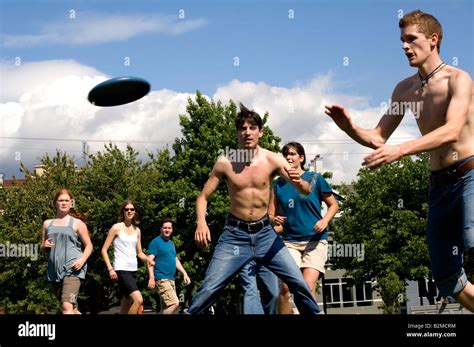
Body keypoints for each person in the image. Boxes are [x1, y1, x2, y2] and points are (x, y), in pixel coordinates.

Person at [325, 10, 473, 311]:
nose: (405, 46)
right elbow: (379, 137)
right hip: (438, 186)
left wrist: (401, 150)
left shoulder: (458, 79)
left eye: (411, 39)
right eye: (402, 40)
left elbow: (452, 129)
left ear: (433, 40)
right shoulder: (404, 89)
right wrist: (349, 127)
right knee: (447, 276)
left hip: (469, 174)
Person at [187, 103, 322, 315]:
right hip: (234, 235)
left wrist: (299, 183)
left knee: (297, 282)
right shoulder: (225, 162)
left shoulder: (273, 159)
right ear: (237, 133)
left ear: (261, 132)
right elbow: (203, 197)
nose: (247, 132)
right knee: (210, 288)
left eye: (252, 128)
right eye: (242, 128)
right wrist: (201, 222)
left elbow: (305, 190)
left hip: (265, 235)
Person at [267, 142, 339, 314]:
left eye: (292, 154)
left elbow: (334, 205)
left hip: (315, 241)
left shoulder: (315, 179)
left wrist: (325, 220)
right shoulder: (278, 185)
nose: (288, 157)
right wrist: (273, 219)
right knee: (285, 288)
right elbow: (269, 215)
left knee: (306, 287)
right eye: (285, 155)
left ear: (301, 158)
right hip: (290, 242)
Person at [40, 188, 93, 314]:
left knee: (66, 306)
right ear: (55, 203)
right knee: (72, 308)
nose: (64, 203)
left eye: (66, 200)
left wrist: (82, 260)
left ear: (71, 203)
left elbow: (89, 245)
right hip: (54, 272)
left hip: (73, 270)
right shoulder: (47, 224)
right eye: (60, 200)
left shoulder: (77, 223)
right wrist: (44, 245)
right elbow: (42, 246)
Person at [101, 200, 152, 314]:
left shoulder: (137, 230)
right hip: (121, 269)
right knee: (138, 300)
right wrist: (110, 269)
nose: (129, 211)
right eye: (127, 209)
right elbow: (104, 250)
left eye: (132, 209)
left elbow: (139, 253)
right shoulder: (116, 228)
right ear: (123, 212)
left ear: (135, 212)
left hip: (133, 269)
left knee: (126, 302)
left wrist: (147, 259)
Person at [147, 218, 191, 314]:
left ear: (172, 229)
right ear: (161, 229)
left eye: (169, 228)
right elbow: (149, 260)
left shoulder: (171, 244)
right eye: (165, 228)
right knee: (174, 303)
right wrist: (151, 278)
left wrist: (184, 273)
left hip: (171, 279)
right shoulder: (156, 242)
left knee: (165, 308)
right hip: (162, 279)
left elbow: (175, 260)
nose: (167, 230)